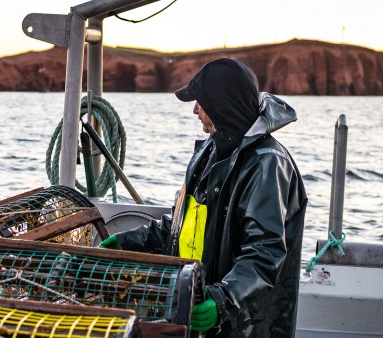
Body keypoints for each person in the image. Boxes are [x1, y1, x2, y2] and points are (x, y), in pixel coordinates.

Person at [99, 58, 307, 337]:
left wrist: (221, 301)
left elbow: (265, 254)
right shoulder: (209, 151)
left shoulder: (267, 164)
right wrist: (123, 243)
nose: (195, 109)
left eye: (201, 101)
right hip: (196, 314)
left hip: (243, 327)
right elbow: (179, 227)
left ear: (221, 105)